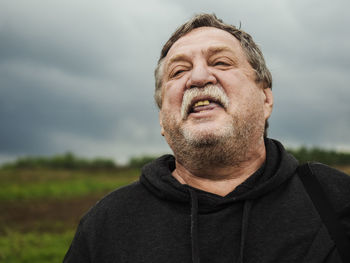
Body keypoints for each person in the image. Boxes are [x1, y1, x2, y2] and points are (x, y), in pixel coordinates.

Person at [63, 13, 350, 263]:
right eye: (178, 71)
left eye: (222, 62)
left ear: (265, 98)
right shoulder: (107, 225)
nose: (199, 77)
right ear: (162, 118)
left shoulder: (336, 199)